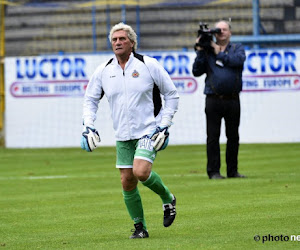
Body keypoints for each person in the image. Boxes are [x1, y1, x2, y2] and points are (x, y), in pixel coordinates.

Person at [81, 22, 179, 238]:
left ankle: (167, 198)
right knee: (127, 181)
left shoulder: (148, 64)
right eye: (114, 39)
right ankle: (140, 228)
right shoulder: (104, 70)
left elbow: (171, 95)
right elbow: (90, 99)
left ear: (132, 43)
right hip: (122, 135)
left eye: (122, 39)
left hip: (148, 131)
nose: (117, 42)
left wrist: (164, 124)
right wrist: (88, 125)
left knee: (141, 171)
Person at [192, 20, 246, 179]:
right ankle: (213, 171)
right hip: (213, 99)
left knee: (233, 136)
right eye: (218, 30)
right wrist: (201, 50)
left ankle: (232, 171)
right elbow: (196, 71)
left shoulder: (237, 48)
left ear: (230, 32)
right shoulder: (207, 50)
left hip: (232, 99)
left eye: (224, 29)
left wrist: (218, 52)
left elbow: (237, 61)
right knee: (213, 137)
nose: (221, 32)